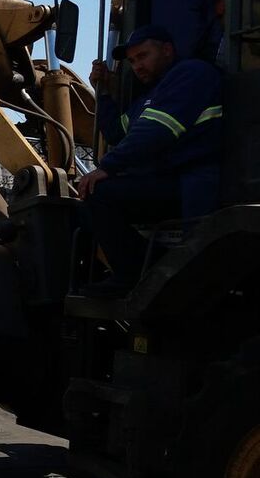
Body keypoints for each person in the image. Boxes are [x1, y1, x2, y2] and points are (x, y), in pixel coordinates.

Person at [82, 25, 224, 295]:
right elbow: (115, 131)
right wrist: (101, 91)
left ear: (167, 50)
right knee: (88, 205)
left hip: (191, 183)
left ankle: (135, 275)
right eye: (133, 61)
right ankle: (150, 262)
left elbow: (156, 131)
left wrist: (107, 167)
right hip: (169, 182)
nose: (137, 66)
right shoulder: (149, 98)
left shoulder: (192, 73)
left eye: (143, 56)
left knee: (98, 194)